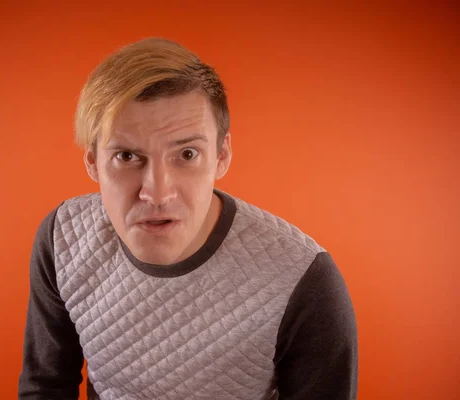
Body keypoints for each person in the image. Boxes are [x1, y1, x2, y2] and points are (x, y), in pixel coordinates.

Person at [18, 37, 358, 400]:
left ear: (221, 155)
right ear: (92, 163)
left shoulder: (305, 280)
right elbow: (46, 387)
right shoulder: (63, 239)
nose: (158, 193)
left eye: (187, 153)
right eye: (127, 156)